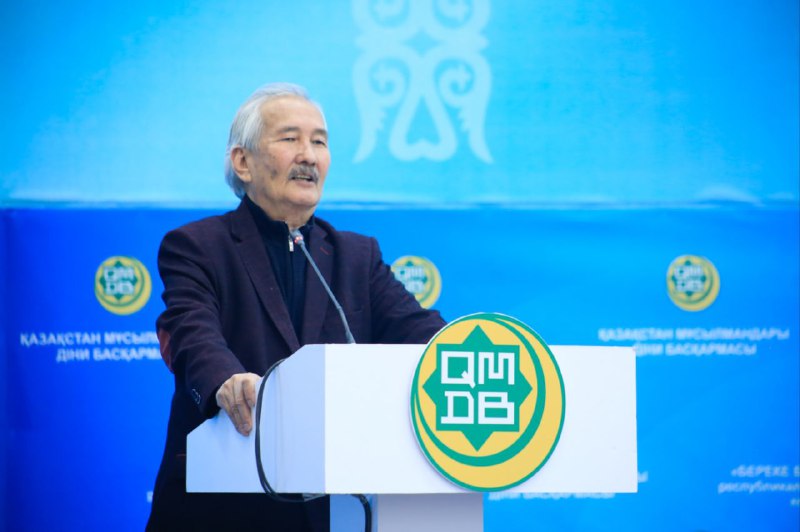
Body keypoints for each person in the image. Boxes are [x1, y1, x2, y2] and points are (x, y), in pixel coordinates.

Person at [147, 83, 446, 531]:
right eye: (290, 139)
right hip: (224, 505)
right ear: (242, 162)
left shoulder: (355, 257)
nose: (308, 155)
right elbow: (194, 333)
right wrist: (226, 380)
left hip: (329, 511)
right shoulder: (197, 246)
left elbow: (423, 333)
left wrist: (469, 355)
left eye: (319, 142)